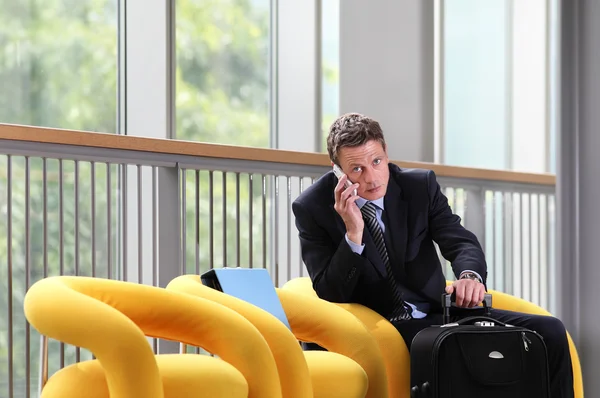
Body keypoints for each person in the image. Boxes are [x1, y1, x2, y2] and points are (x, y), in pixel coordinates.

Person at [292, 112, 574, 398]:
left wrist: (469, 276)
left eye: (376, 162)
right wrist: (353, 233)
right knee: (454, 352)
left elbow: (460, 241)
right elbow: (330, 291)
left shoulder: (419, 186)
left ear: (386, 152)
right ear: (337, 171)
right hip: (382, 324)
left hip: (439, 311)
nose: (372, 178)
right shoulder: (312, 208)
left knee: (549, 330)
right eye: (357, 169)